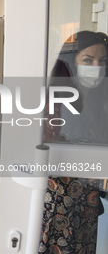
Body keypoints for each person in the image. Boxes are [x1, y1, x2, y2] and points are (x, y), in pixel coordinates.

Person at [39, 31, 108, 253]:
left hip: (88, 195)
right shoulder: (55, 99)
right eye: (88, 60)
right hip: (61, 196)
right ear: (72, 62)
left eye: (102, 61)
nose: (96, 66)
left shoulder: (100, 101)